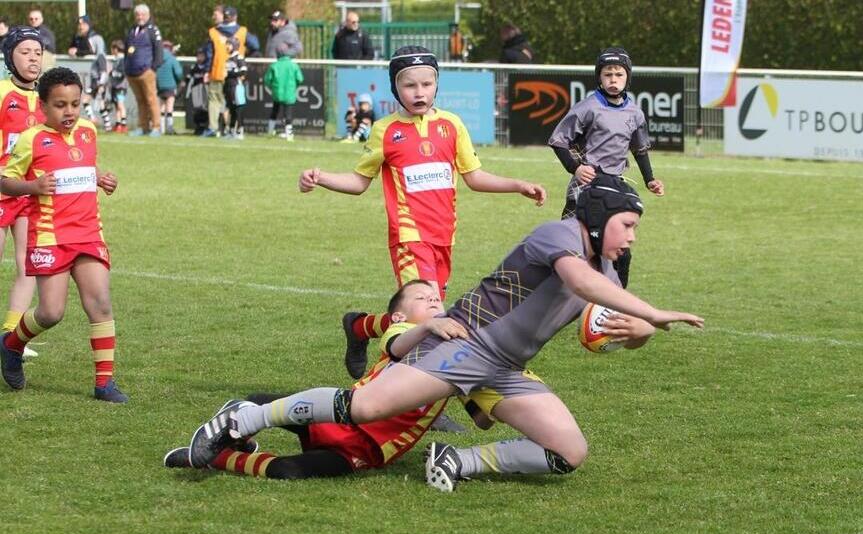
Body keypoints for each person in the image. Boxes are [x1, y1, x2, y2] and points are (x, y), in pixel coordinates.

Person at [188, 175, 705, 493]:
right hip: (465, 343)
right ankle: (247, 416)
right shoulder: (560, 235)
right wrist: (653, 310)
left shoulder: (609, 274)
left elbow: (603, 334)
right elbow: (575, 279)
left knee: (569, 452)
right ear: (598, 218)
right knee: (366, 407)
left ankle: (454, 461)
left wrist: (639, 331)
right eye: (628, 225)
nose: (632, 236)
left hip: (503, 367)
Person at [298, 47, 546, 381]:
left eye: (427, 84)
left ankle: (360, 327)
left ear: (436, 85)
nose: (419, 92)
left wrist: (518, 185)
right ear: (395, 88)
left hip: (444, 238)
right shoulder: (386, 130)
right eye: (410, 86)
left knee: (418, 316)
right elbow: (359, 181)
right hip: (409, 237)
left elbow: (474, 177)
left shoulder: (451, 125)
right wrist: (321, 177)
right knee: (431, 318)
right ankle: (405, 396)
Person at [166, 280, 491, 478]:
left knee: (287, 471)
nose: (433, 300)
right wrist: (427, 328)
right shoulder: (403, 331)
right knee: (261, 400)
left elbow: (482, 418)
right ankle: (236, 423)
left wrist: (485, 375)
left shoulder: (455, 357)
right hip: (335, 414)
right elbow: (396, 347)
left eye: (437, 298)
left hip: (367, 449)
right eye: (422, 298)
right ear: (399, 316)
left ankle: (222, 457)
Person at [0, 67, 127, 403]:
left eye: (74, 104)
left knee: (100, 302)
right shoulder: (31, 139)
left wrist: (102, 178)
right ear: (43, 106)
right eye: (60, 105)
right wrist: (31, 186)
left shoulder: (88, 131)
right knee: (50, 312)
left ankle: (104, 384)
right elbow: (4, 180)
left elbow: (81, 166)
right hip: (49, 236)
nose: (69, 112)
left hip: (87, 232)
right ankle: (11, 345)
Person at [548, 48, 663, 289]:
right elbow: (558, 140)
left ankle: (616, 306)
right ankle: (555, 298)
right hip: (585, 187)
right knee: (571, 247)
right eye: (607, 74)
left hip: (614, 188)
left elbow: (639, 149)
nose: (613, 79)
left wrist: (650, 179)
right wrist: (576, 168)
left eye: (619, 74)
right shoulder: (587, 107)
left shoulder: (635, 113)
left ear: (627, 78)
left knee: (622, 253)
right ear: (599, 78)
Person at [0, 28, 46, 360]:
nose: (32, 57)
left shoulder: (47, 97)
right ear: (9, 57)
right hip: (3, 187)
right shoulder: (2, 91)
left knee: (27, 266)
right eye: (25, 51)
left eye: (37, 52)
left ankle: (10, 336)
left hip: (31, 193)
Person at [203, 6, 258, 138]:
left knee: (215, 101)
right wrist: (245, 53)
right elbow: (255, 45)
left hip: (217, 71)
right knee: (232, 104)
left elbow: (209, 54)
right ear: (235, 17)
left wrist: (207, 71)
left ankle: (213, 128)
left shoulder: (213, 32)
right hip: (235, 74)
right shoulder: (242, 32)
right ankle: (230, 129)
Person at [124, 4, 163, 136]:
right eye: (137, 14)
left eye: (142, 14)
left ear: (148, 15)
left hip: (146, 71)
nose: (140, 17)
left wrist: (153, 68)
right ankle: (143, 127)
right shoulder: (131, 30)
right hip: (132, 72)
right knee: (140, 101)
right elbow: (126, 49)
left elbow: (159, 50)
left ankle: (156, 127)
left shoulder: (153, 30)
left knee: (151, 99)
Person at [264, 43, 303, 141]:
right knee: (288, 114)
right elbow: (300, 79)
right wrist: (294, 86)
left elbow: (267, 80)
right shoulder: (294, 66)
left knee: (274, 111)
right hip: (289, 93)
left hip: (277, 93)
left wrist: (273, 87)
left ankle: (270, 131)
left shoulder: (274, 66)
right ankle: (289, 134)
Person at [155, 41, 183, 135]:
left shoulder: (157, 59)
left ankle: (161, 128)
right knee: (169, 108)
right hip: (170, 86)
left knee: (161, 108)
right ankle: (169, 128)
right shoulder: (172, 59)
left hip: (160, 86)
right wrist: (179, 81)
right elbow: (178, 73)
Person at [186, 47, 209, 135]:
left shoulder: (207, 68)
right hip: (196, 90)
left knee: (205, 109)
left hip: (204, 90)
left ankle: (204, 127)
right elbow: (188, 78)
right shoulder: (194, 68)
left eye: (201, 56)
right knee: (197, 109)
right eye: (198, 56)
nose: (199, 58)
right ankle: (198, 127)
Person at [109, 40, 129, 133]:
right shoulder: (116, 60)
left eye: (112, 49)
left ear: (116, 49)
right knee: (117, 106)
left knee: (121, 105)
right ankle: (118, 124)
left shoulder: (122, 60)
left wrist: (111, 72)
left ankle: (124, 125)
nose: (111, 51)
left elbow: (122, 74)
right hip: (115, 86)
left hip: (121, 86)